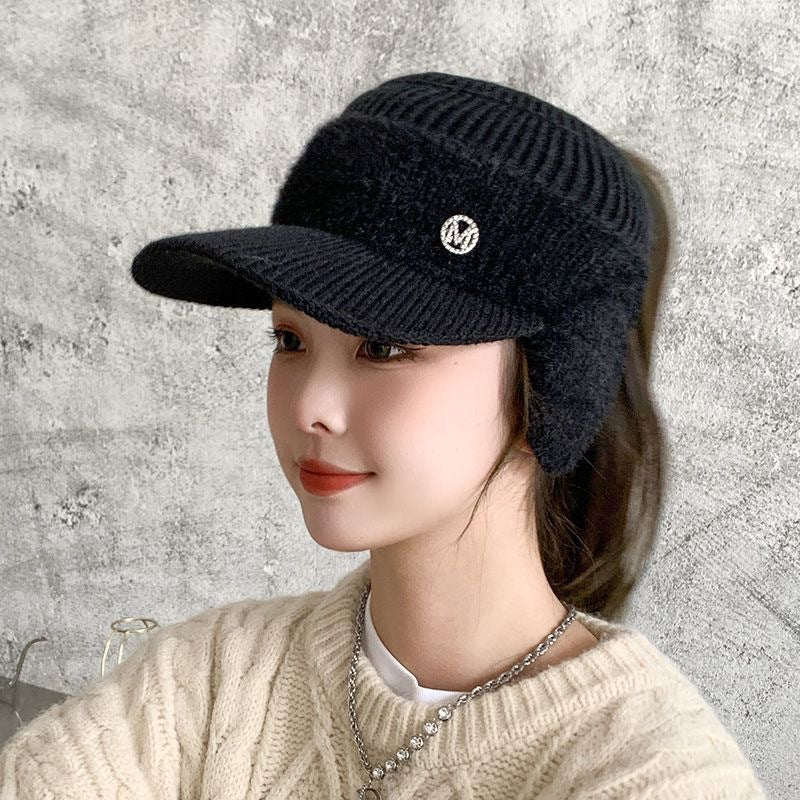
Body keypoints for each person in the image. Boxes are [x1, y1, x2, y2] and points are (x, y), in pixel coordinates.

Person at [0, 71, 767, 799]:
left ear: (558, 383)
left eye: (386, 347)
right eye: (290, 340)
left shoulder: (654, 773)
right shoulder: (202, 681)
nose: (311, 406)